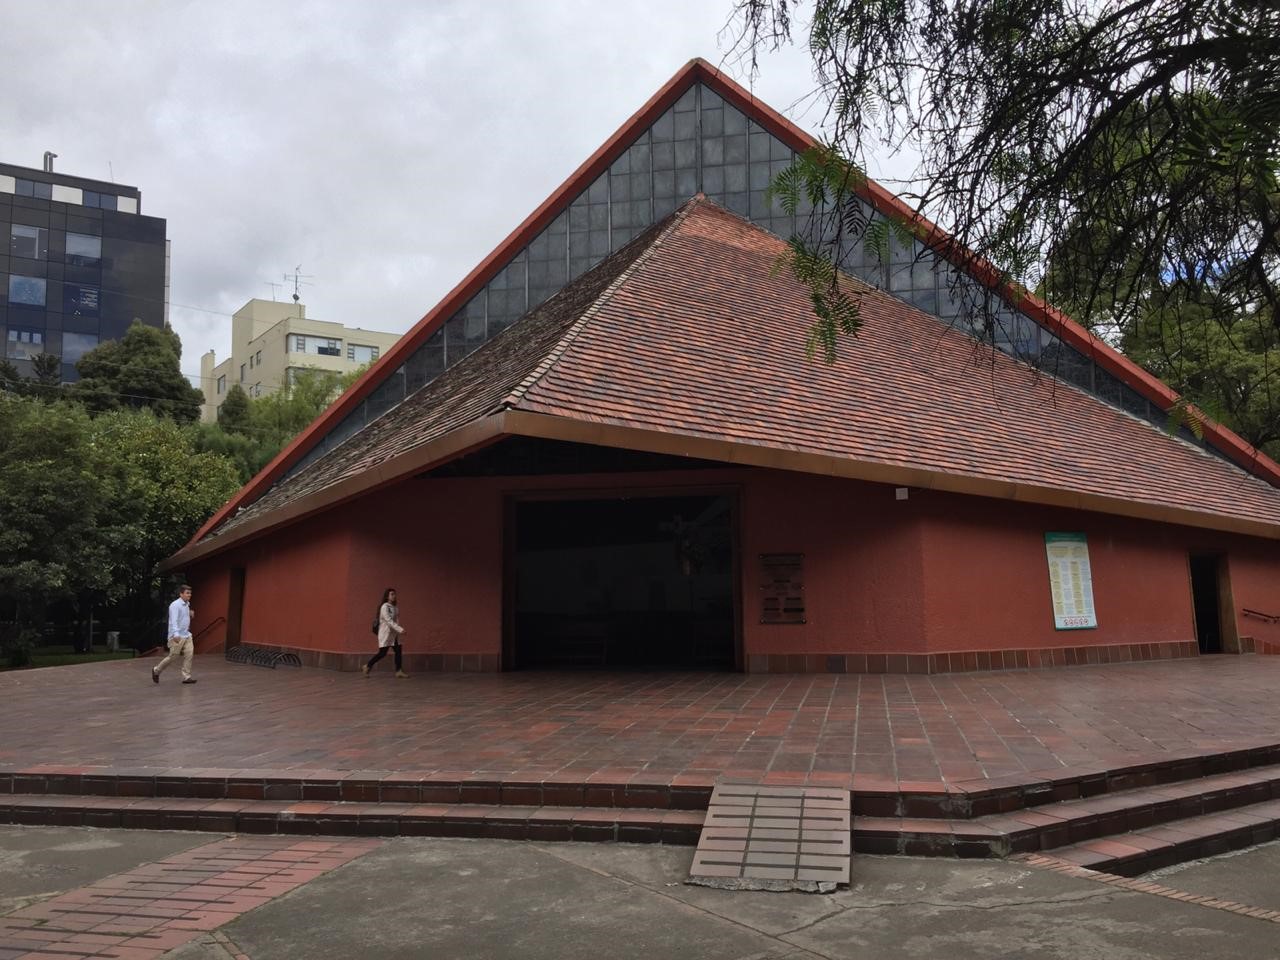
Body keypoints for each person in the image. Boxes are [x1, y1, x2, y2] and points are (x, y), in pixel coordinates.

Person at [153, 585, 197, 685]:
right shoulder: (175, 605)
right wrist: (176, 634)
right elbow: (173, 621)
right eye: (187, 593)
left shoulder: (187, 604)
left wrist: (190, 613)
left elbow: (183, 616)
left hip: (187, 635)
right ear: (181, 594)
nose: (189, 595)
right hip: (177, 636)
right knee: (173, 657)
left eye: (190, 593)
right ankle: (156, 670)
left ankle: (187, 677)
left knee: (189, 654)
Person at [363, 587, 408, 678]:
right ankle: (367, 666)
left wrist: (398, 631)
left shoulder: (395, 608)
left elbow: (396, 621)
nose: (394, 596)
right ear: (387, 596)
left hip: (394, 634)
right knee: (382, 653)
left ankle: (399, 671)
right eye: (392, 594)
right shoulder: (384, 607)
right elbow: (388, 620)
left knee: (398, 650)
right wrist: (400, 629)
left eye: (395, 594)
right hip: (386, 634)